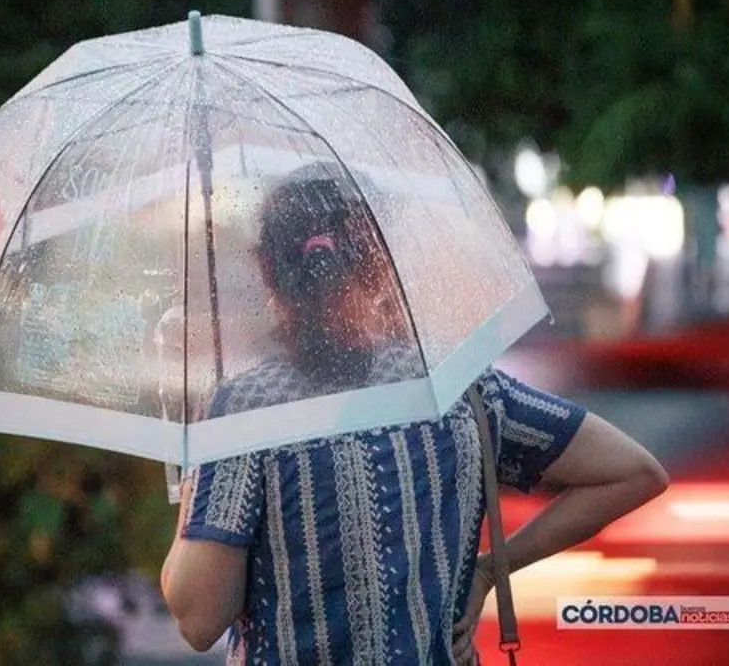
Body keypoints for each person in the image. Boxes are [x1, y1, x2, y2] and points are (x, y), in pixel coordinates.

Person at [159, 162, 669, 665]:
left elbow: (200, 617)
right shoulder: (458, 387)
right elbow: (633, 472)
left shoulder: (246, 411)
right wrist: (489, 571)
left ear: (266, 269)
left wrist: (199, 478)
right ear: (380, 264)